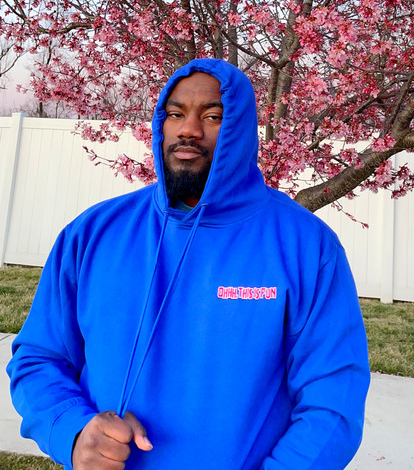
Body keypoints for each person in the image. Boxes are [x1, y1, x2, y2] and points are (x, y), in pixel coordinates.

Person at [7, 58, 370, 470]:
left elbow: (333, 400)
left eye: (212, 116)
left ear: (241, 128)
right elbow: (39, 358)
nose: (188, 130)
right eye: (176, 114)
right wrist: (72, 432)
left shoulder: (306, 245)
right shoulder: (92, 233)